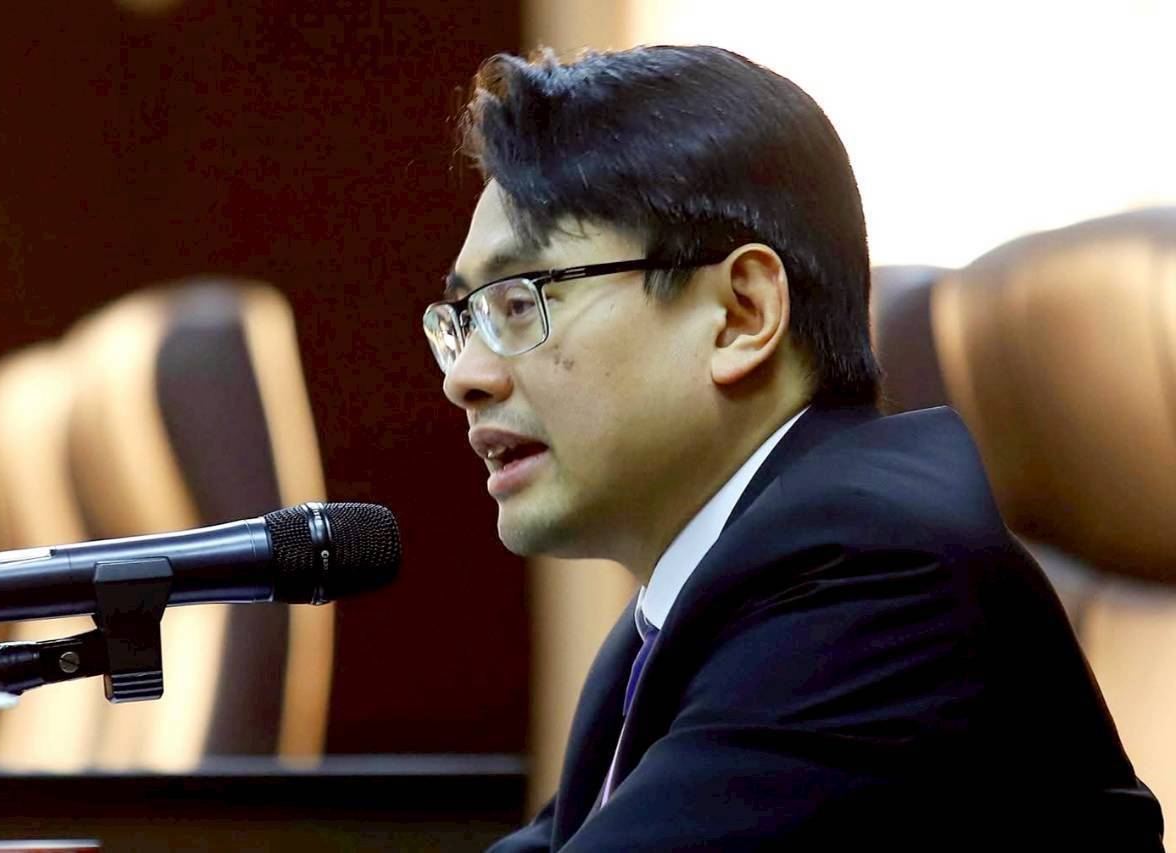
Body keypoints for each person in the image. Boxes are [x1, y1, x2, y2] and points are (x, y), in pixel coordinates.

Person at [421, 45, 1163, 850]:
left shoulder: (879, 582)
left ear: (741, 314)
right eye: (461, 320)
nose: (465, 376)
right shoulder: (677, 621)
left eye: (520, 303)